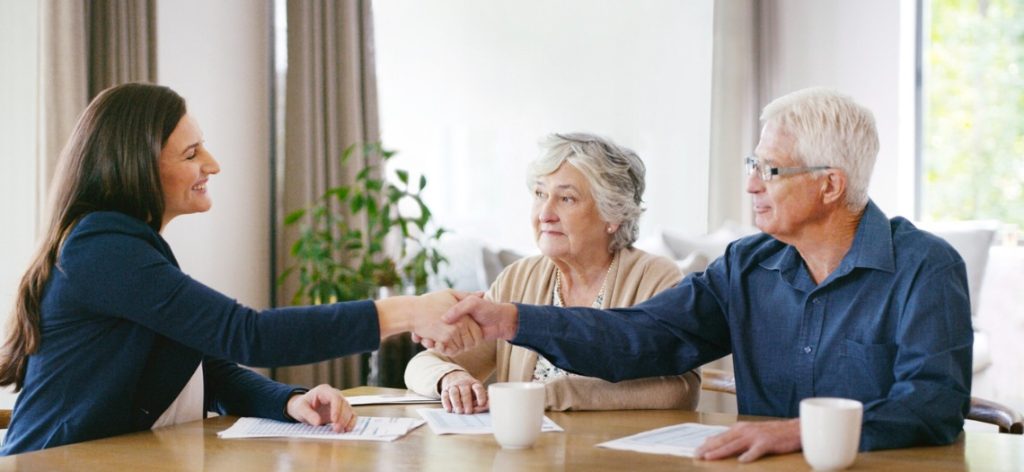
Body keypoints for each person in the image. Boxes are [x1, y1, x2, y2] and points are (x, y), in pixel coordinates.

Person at [434, 88, 973, 462]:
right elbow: (638, 338)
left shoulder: (926, 267)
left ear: (830, 186)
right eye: (752, 164)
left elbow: (930, 405)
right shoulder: (747, 266)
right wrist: (511, 320)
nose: (753, 184)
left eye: (772, 170)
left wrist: (802, 433)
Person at [0, 83, 478, 455]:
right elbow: (248, 333)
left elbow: (205, 364)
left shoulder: (126, 247)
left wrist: (288, 402)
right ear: (136, 167)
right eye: (191, 154)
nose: (213, 164)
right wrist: (406, 312)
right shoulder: (103, 248)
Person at [404, 133, 700, 413]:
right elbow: (425, 363)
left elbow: (680, 388)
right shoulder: (518, 279)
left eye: (566, 198)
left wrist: (549, 395)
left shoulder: (656, 279)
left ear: (613, 215)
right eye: (540, 194)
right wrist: (451, 378)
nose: (545, 213)